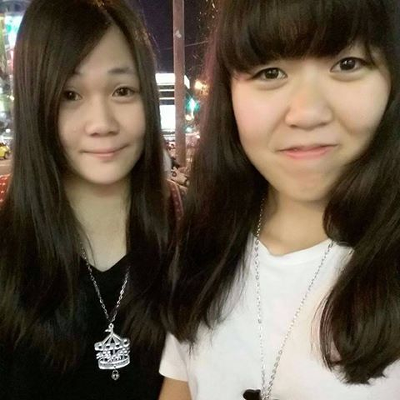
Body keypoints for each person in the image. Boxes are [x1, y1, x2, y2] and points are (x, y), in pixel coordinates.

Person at [159, 0, 400, 399]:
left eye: (347, 64)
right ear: (229, 94)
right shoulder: (203, 246)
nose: (306, 114)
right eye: (270, 72)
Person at [0, 0, 184, 399]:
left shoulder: (198, 232)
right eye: (70, 94)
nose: (102, 124)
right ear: (36, 104)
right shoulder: (8, 244)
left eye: (123, 91)